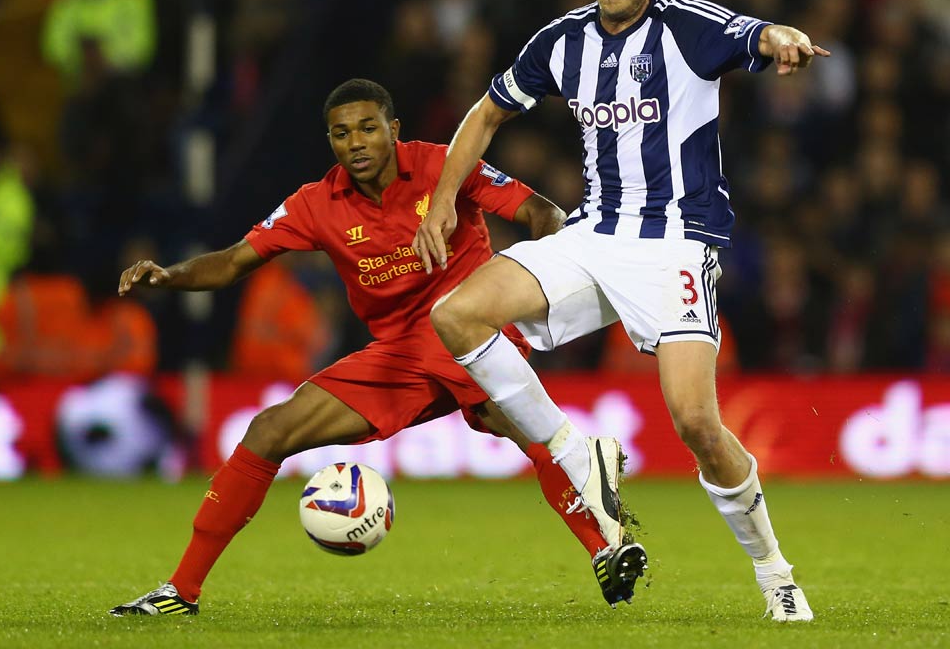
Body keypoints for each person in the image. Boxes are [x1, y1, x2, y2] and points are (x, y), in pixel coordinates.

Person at [414, 0, 828, 622]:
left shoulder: (688, 27)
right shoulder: (561, 41)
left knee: (696, 422)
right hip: (594, 235)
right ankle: (579, 456)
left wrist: (784, 37)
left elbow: (755, 36)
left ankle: (775, 571)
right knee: (455, 314)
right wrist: (445, 198)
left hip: (675, 239)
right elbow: (486, 111)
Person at [109, 78, 641, 617]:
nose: (355, 142)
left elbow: (542, 212)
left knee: (517, 423)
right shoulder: (317, 204)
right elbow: (231, 261)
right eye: (341, 134)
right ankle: (181, 590)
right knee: (269, 431)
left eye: (367, 128)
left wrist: (529, 284)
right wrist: (168, 277)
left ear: (393, 130)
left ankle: (607, 548)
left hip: (477, 332)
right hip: (401, 353)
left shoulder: (443, 167)